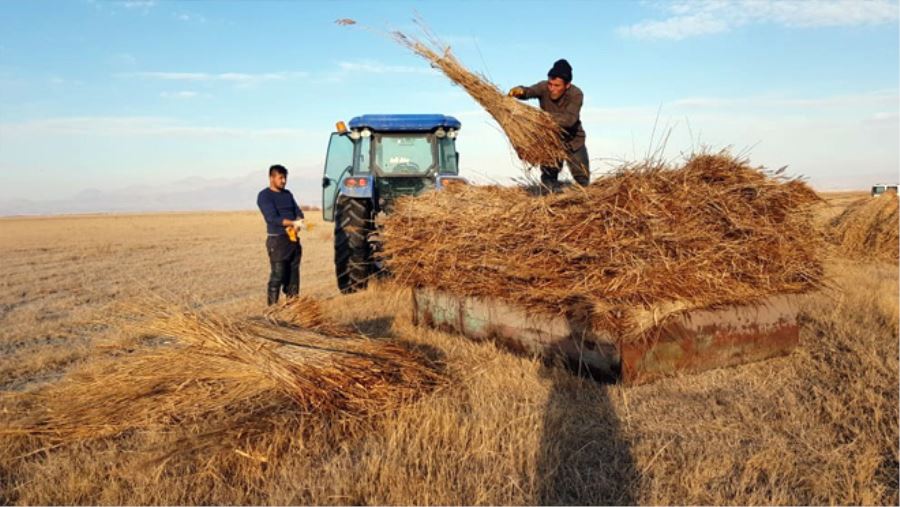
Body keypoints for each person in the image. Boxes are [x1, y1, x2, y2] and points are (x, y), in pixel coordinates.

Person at [509, 59, 589, 192]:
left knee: (583, 179)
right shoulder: (543, 87)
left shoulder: (576, 94)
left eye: (557, 86)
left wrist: (542, 119)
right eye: (550, 84)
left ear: (567, 85)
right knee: (548, 181)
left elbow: (570, 120)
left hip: (573, 141)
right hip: (551, 142)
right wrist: (520, 91)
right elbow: (529, 91)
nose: (552, 89)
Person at [256, 164, 305, 305]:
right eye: (280, 178)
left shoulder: (288, 194)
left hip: (293, 241)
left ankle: (293, 308)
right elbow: (272, 218)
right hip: (277, 241)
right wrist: (293, 223)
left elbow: (298, 212)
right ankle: (272, 310)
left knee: (293, 278)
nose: (283, 181)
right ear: (271, 178)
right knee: (277, 276)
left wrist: (298, 221)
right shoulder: (264, 196)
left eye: (285, 178)